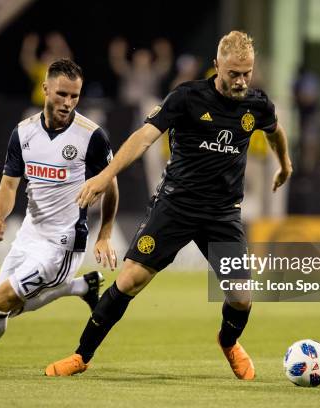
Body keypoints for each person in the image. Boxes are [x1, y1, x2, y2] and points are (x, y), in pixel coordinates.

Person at [45, 31, 292, 380]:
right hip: (176, 206)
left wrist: (285, 163)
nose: (240, 81)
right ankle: (81, 356)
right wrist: (104, 177)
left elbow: (274, 129)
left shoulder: (257, 104)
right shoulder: (187, 98)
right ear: (216, 66)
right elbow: (143, 139)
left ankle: (228, 342)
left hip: (223, 214)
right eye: (233, 73)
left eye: (246, 73)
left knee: (241, 297)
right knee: (130, 280)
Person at [0, 59, 119, 371]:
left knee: (0, 301)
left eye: (75, 96)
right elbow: (8, 185)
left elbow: (111, 186)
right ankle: (80, 287)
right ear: (45, 89)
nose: (68, 103)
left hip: (62, 242)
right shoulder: (23, 133)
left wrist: (104, 236)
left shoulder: (91, 136)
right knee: (8, 307)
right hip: (29, 233)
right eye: (62, 94)